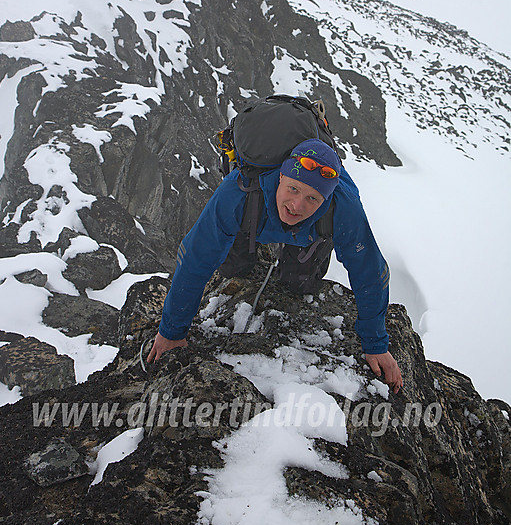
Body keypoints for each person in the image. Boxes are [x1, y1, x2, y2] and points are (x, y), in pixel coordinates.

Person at [147, 138, 403, 393]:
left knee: (299, 283)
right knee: (232, 269)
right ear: (281, 176)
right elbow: (195, 257)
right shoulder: (239, 192)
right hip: (253, 217)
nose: (297, 205)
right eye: (293, 189)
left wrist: (376, 345)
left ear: (326, 199)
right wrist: (171, 331)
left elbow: (370, 272)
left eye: (312, 198)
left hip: (309, 232)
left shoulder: (343, 207)